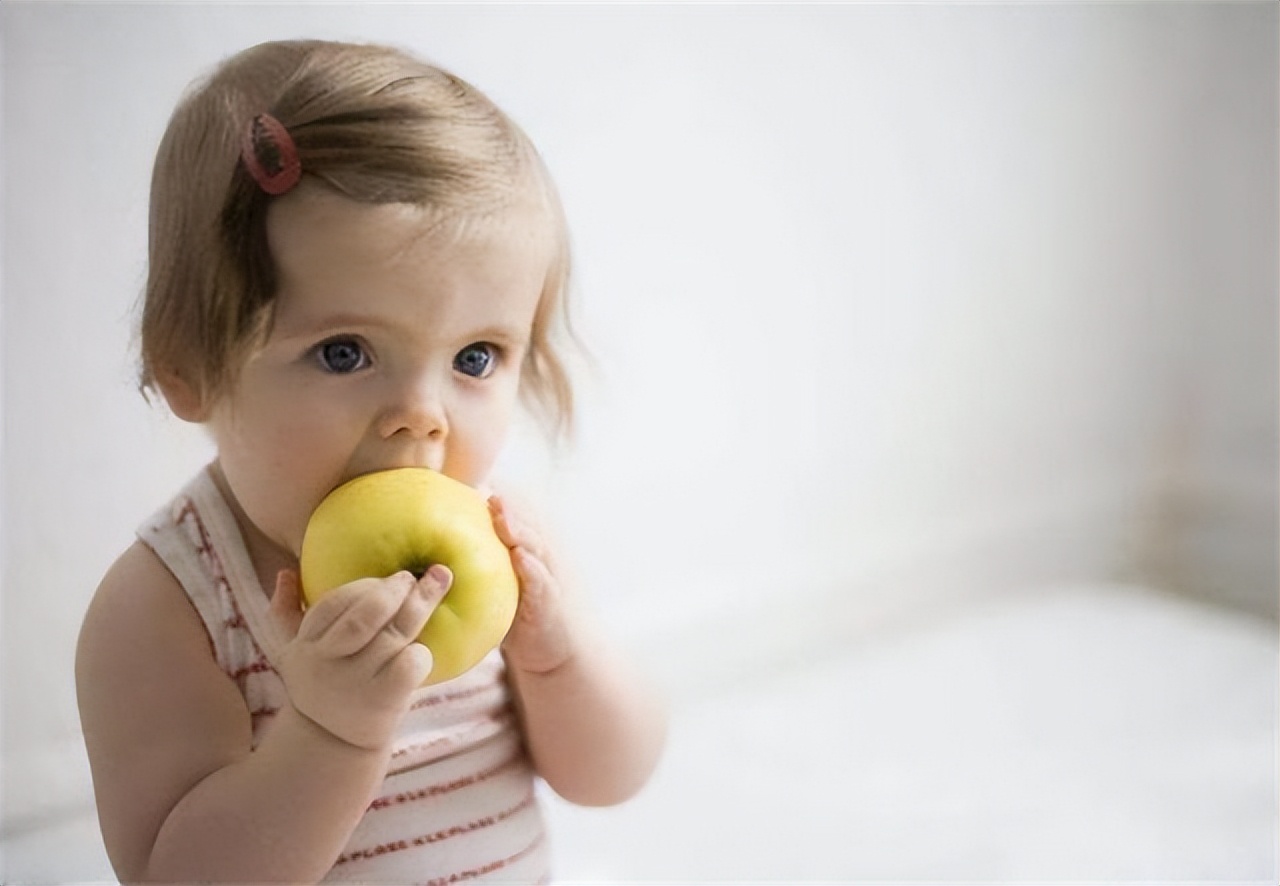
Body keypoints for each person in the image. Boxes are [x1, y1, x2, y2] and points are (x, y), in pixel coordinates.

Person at [76, 39, 666, 884]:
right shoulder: (169, 606)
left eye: (475, 358)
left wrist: (558, 659)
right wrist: (329, 733)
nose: (421, 419)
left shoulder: (505, 544)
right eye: (345, 352)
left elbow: (614, 776)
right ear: (189, 366)